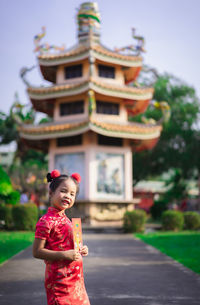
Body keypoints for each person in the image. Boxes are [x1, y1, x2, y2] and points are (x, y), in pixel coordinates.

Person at [33, 169, 90, 305]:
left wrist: (82, 249)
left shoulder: (66, 220)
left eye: (72, 194)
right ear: (51, 193)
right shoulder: (46, 221)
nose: (68, 196)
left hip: (76, 280)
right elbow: (37, 252)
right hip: (59, 282)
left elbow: (69, 245)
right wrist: (65, 255)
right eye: (63, 191)